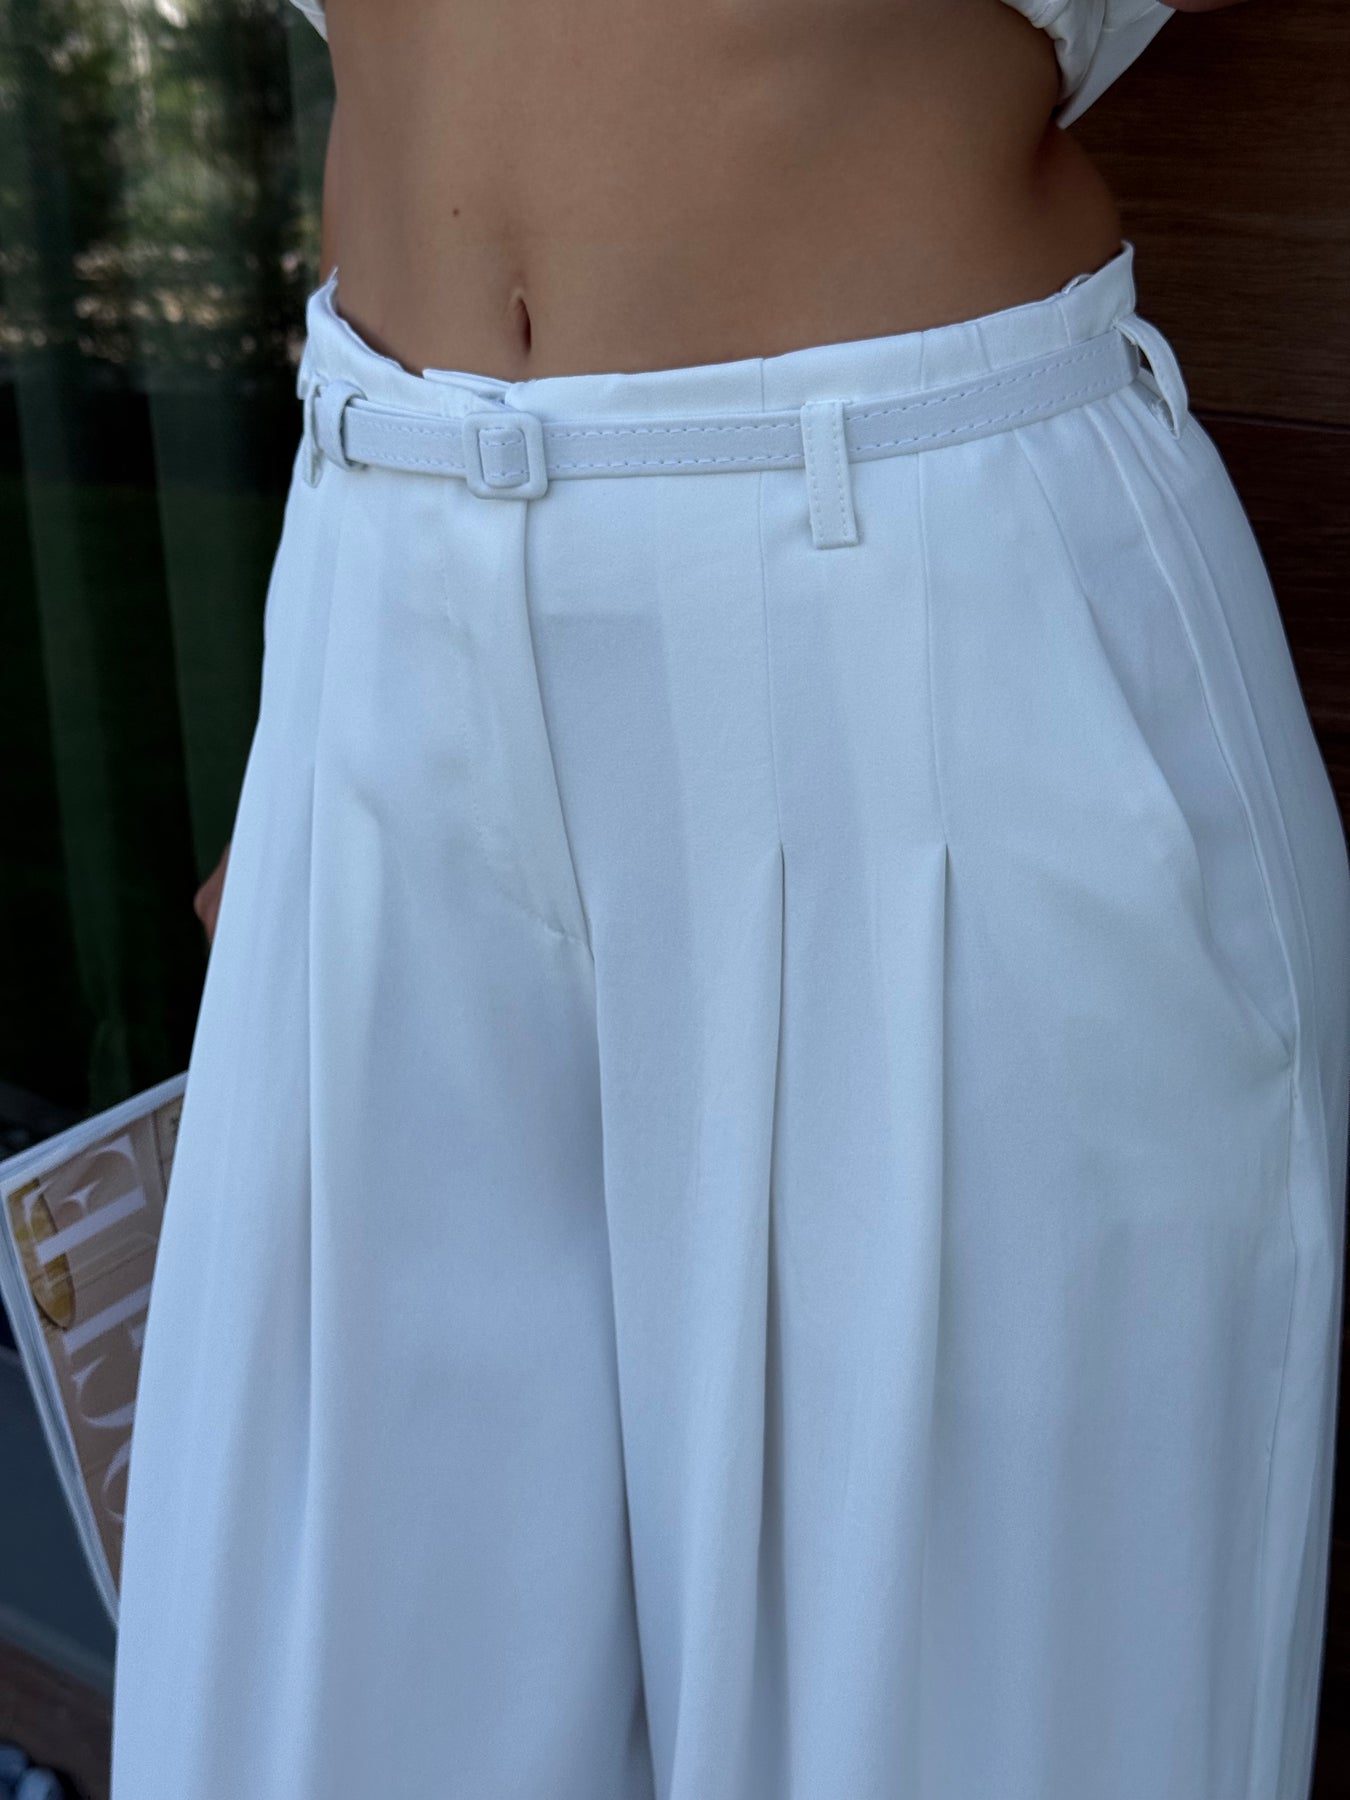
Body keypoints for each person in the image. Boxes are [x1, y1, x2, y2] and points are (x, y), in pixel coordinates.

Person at [119, 5, 1350, 1800]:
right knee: (322, 1724)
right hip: (383, 589)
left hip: (916, 623)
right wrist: (337, 696)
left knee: (958, 1731)